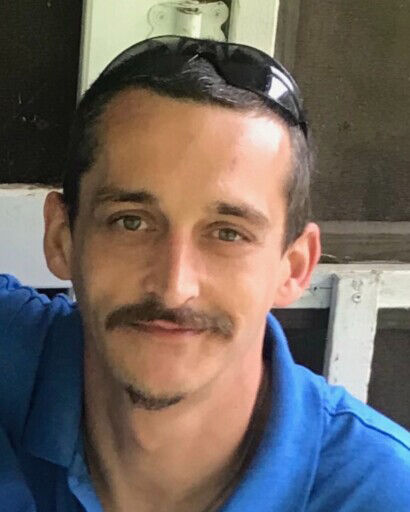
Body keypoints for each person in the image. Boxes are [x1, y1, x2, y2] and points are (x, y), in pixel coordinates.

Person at [0, 36, 408, 512]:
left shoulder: (382, 494)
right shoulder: (16, 359)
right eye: (131, 222)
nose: (174, 287)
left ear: (294, 267)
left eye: (228, 234)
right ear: (61, 238)